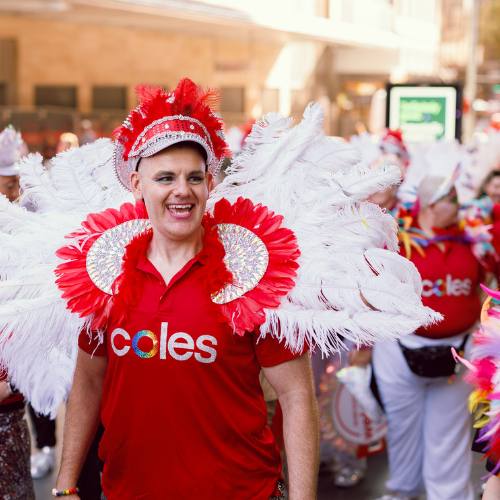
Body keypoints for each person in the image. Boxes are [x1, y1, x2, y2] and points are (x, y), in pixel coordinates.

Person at [0, 79, 439, 500]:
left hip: (239, 491)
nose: (181, 192)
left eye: (194, 177)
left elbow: (296, 395)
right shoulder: (104, 270)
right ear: (136, 184)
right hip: (129, 492)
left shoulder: (250, 270)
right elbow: (88, 384)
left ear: (211, 183)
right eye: (165, 177)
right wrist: (66, 484)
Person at [372, 176, 494, 500]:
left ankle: (451, 496)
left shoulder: (474, 241)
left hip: (460, 352)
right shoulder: (392, 240)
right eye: (450, 200)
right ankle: (402, 492)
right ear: (429, 204)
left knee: (449, 435)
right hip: (399, 350)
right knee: (402, 430)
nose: (458, 206)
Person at [0, 125, 34, 500]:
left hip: (10, 418)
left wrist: (14, 383)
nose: (16, 195)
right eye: (8, 185)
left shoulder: (22, 242)